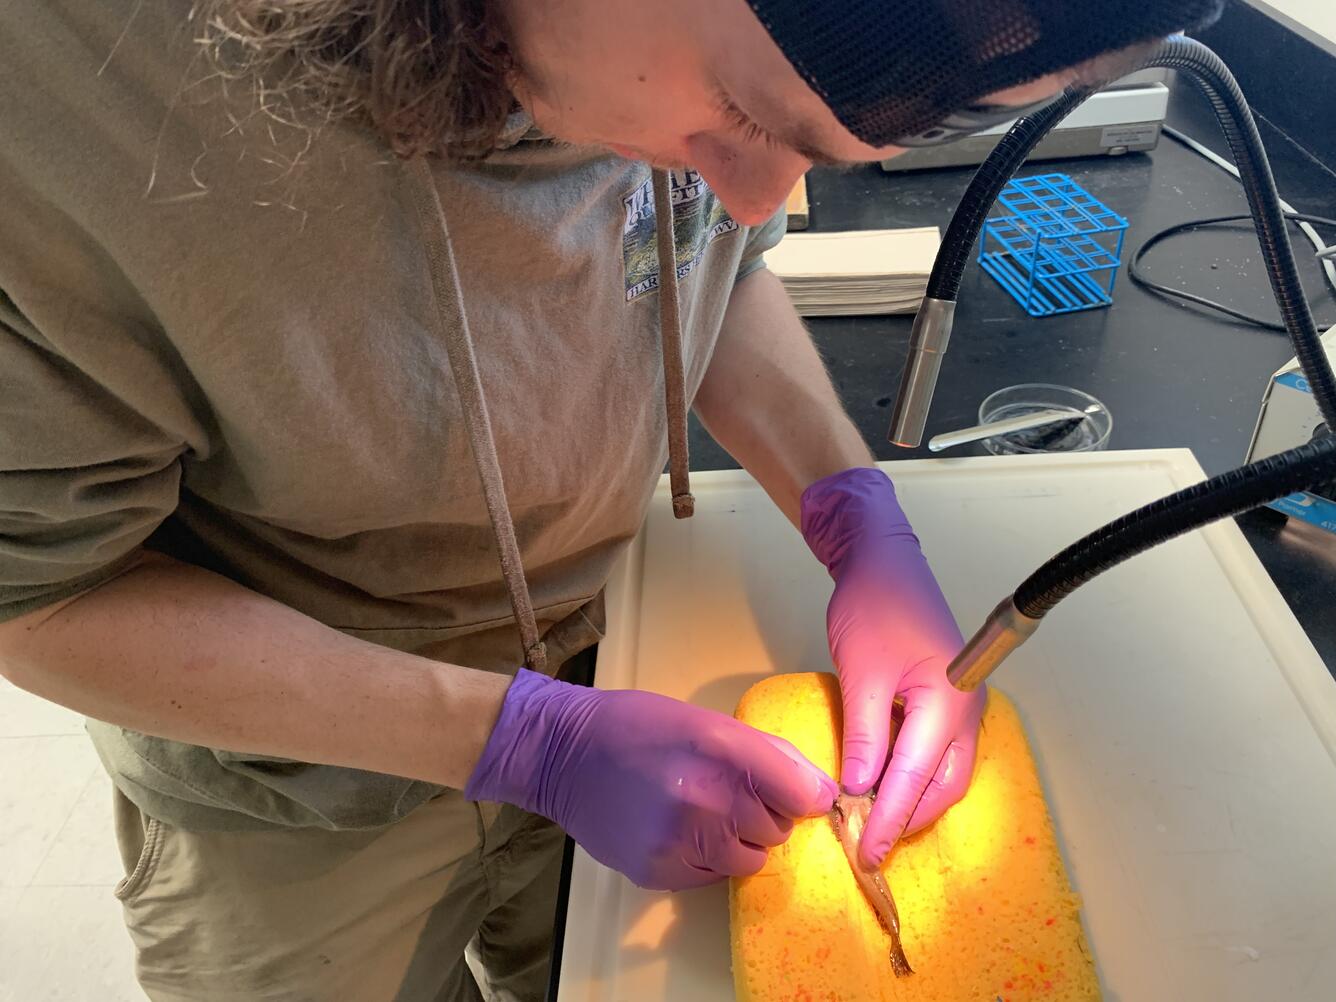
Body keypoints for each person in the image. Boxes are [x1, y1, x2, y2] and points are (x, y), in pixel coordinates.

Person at [0, 0, 1222, 999]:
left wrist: (855, 515)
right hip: (291, 788)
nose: (759, 197)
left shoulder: (643, 53)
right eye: (745, 113)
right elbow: (41, 597)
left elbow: (703, 268)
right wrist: (512, 741)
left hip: (617, 668)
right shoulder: (69, 88)